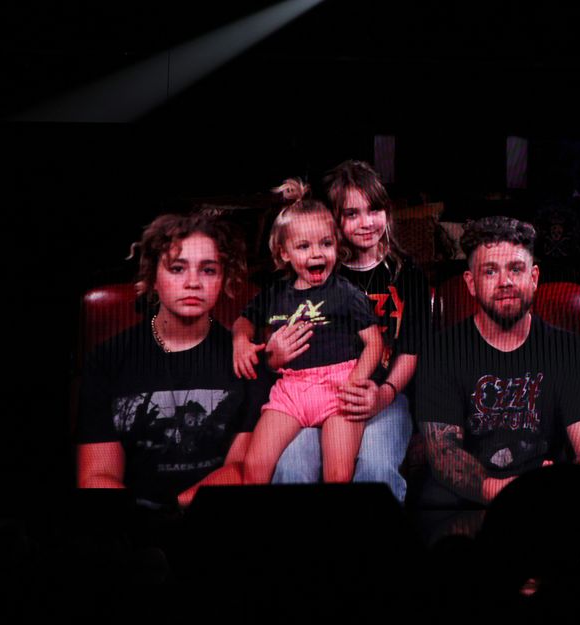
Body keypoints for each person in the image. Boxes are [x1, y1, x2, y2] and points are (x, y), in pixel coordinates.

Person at [233, 161, 430, 502]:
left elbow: (410, 351)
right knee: (291, 468)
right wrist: (268, 356)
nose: (366, 222)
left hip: (380, 391)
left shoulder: (407, 274)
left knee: (375, 468)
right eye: (351, 214)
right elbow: (267, 332)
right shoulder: (316, 267)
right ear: (334, 222)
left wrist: (383, 394)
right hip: (306, 391)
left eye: (374, 210)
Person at [416, 216, 580, 509]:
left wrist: (574, 492)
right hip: (467, 502)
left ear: (533, 278)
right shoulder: (441, 351)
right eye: (490, 271)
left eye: (516, 269)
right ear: (471, 283)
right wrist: (506, 493)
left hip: (551, 499)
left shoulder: (568, 349)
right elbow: (444, 452)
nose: (505, 282)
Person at [76, 212, 266, 508]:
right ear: (152, 277)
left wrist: (175, 512)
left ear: (223, 279)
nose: (193, 283)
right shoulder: (107, 359)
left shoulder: (246, 359)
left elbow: (242, 468)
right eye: (177, 268)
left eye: (208, 270)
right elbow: (97, 474)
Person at [236, 179, 384, 484]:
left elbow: (374, 342)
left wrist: (356, 381)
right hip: (291, 391)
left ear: (337, 246)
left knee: (338, 474)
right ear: (285, 253)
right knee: (254, 466)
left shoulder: (345, 293)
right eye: (304, 246)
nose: (317, 254)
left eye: (326, 244)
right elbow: (244, 320)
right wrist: (240, 341)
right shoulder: (274, 294)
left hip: (338, 389)